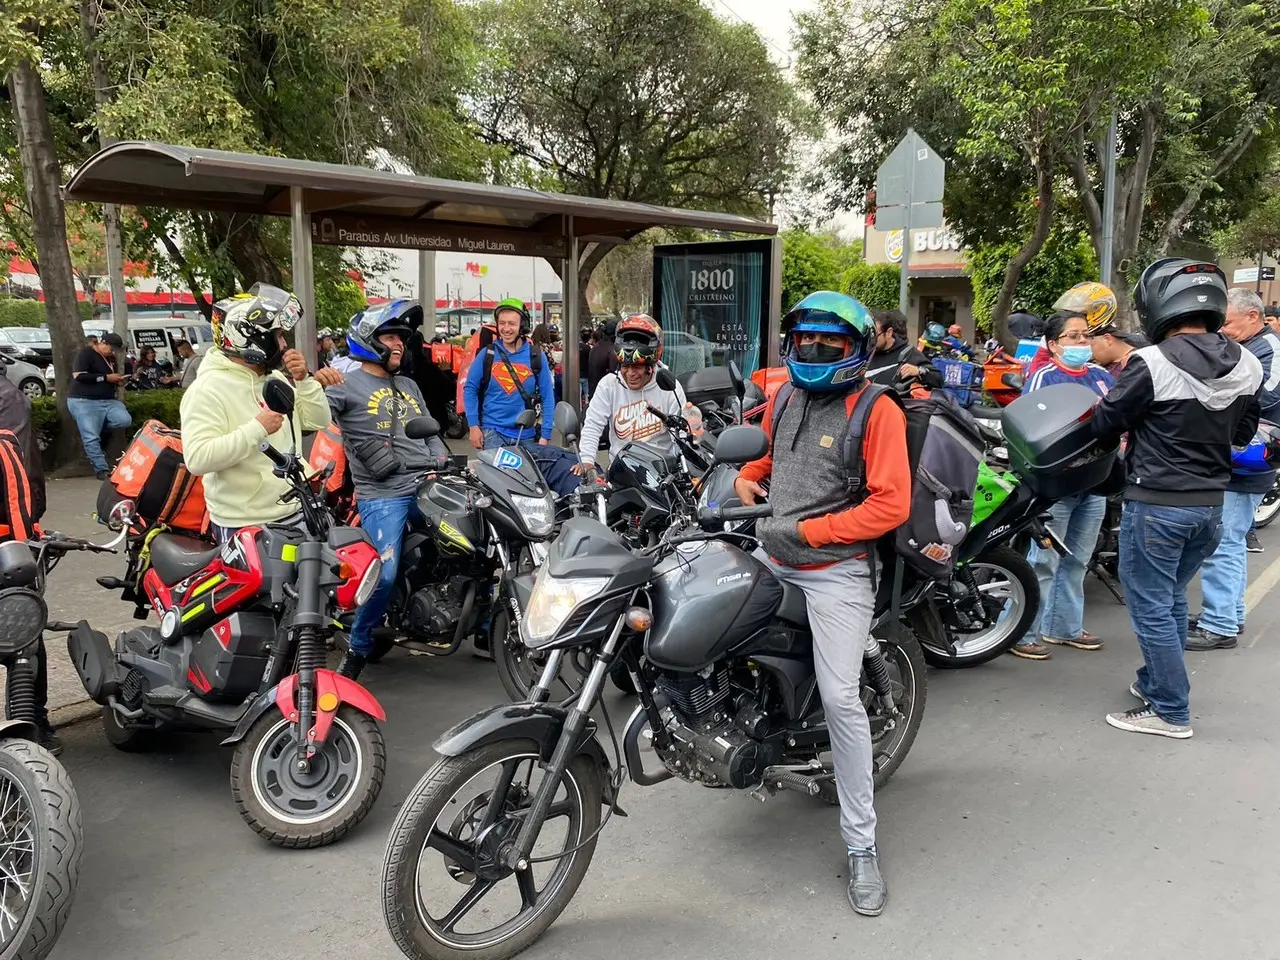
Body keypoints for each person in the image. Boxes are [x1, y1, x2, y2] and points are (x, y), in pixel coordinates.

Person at [733, 291, 910, 917]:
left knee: (840, 698)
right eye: (806, 341)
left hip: (835, 571)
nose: (814, 351)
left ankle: (861, 844)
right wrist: (745, 477)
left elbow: (890, 505)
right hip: (773, 555)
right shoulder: (785, 396)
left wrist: (811, 533)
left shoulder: (876, 411)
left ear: (856, 350)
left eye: (829, 345)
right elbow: (766, 456)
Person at [1091, 259, 1261, 739]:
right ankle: (1154, 682)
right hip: (1211, 507)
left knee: (1149, 605)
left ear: (1157, 305)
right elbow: (1244, 432)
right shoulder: (1247, 363)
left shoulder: (1152, 361)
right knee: (1167, 601)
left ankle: (1170, 710)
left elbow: (1106, 423)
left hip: (1157, 505)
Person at [325, 302, 449, 680]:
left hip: (426, 485)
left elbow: (432, 436)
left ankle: (481, 628)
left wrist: (445, 462)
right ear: (368, 340)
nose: (399, 344)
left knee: (478, 540)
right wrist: (310, 385)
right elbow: (308, 415)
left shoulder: (410, 385)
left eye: (402, 338)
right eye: (391, 336)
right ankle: (358, 647)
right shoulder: (345, 384)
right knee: (385, 572)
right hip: (384, 495)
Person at [181, 284, 341, 543]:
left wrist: (304, 381)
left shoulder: (273, 377)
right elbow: (198, 459)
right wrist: (258, 428)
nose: (283, 344)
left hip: (295, 508)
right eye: (278, 336)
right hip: (245, 524)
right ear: (252, 339)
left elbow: (317, 420)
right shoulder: (206, 390)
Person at [1009, 312, 1114, 660]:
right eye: (1073, 337)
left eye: (1086, 336)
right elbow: (1031, 426)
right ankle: (1021, 632)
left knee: (1077, 561)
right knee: (1042, 562)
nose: (1082, 343)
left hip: (1094, 484)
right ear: (1054, 345)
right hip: (1058, 488)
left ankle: (1064, 628)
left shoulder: (1101, 377)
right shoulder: (1044, 377)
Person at [1188, 288, 1280, 650]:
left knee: (1223, 543)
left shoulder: (1269, 351)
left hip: (1249, 459)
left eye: (1227, 322)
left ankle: (1219, 624)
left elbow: (1265, 395)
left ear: (1253, 317)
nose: (1221, 330)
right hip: (1242, 458)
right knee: (1231, 540)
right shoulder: (1252, 348)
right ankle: (1228, 613)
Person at [0, 361, 57, 753]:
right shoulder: (8, 398)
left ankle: (32, 722)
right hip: (13, 542)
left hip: (10, 541)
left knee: (24, 638)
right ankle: (33, 725)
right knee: (24, 637)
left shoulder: (6, 399)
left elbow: (15, 472)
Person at [575, 315, 691, 476]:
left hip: (663, 473)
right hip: (620, 473)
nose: (630, 373)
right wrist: (587, 461)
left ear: (651, 366)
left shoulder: (669, 386)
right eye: (625, 366)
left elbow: (681, 436)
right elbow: (593, 425)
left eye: (637, 367)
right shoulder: (609, 385)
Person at [68, 331, 132, 480]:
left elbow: (109, 377)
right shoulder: (86, 354)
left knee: (124, 419)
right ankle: (101, 469)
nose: (112, 352)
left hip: (107, 400)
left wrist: (117, 381)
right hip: (84, 400)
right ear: (103, 342)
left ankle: (99, 428)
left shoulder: (110, 358)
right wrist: (105, 378)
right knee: (90, 437)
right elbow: (79, 375)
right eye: (111, 348)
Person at [1028, 282, 1117, 374]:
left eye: (1080, 312)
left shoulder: (1114, 340)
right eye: (1073, 336)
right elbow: (1036, 369)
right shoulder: (1055, 335)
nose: (1072, 315)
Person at [867, 309, 942, 387]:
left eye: (874, 335)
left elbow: (937, 379)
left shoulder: (909, 354)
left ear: (889, 333)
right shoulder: (864, 352)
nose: (870, 340)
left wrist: (918, 371)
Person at [588, 318, 619, 395]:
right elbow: (613, 375)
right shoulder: (612, 350)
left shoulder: (595, 347)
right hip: (605, 394)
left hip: (594, 391)